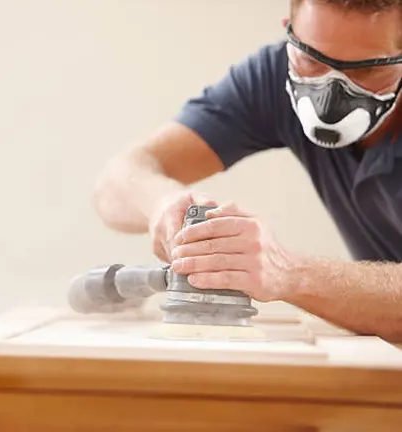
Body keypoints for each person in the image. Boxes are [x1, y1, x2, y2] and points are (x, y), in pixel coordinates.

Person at [91, 0, 402, 342]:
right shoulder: (274, 76)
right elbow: (113, 186)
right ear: (290, 30)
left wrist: (289, 273)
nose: (330, 99)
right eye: (312, 61)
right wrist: (163, 205)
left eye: (366, 71)